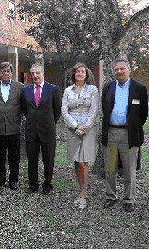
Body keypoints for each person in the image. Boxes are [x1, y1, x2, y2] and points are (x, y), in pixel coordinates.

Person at [102, 58, 148, 212]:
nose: (119, 72)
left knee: (129, 169)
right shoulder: (108, 87)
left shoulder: (139, 88)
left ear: (129, 70)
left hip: (130, 134)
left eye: (122, 69)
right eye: (116, 69)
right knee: (110, 168)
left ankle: (129, 199)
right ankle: (110, 196)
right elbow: (105, 109)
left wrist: (133, 126)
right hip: (111, 132)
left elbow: (143, 115)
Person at [61, 62, 99, 209]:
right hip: (72, 129)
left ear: (86, 74)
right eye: (77, 72)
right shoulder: (67, 91)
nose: (80, 74)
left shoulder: (93, 89)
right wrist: (75, 126)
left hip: (88, 129)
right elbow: (64, 111)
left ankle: (83, 194)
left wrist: (86, 126)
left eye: (82, 71)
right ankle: (81, 189)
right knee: (76, 161)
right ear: (74, 75)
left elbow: (94, 109)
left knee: (83, 161)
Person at [21, 63, 61, 195]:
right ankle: (33, 185)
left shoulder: (53, 89)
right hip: (31, 130)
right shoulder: (25, 90)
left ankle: (47, 184)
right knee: (32, 159)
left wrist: (48, 122)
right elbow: (24, 109)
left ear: (43, 73)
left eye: (37, 73)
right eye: (32, 73)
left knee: (48, 159)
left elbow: (57, 111)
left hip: (47, 130)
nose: (35, 76)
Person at [0, 62, 24, 190]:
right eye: (3, 71)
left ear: (11, 73)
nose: (6, 73)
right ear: (0, 73)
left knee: (14, 156)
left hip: (14, 127)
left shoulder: (20, 87)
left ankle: (13, 180)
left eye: (8, 71)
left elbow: (23, 106)